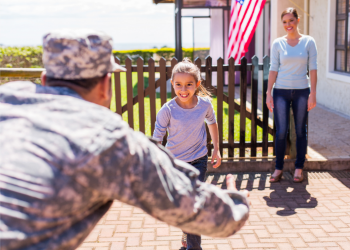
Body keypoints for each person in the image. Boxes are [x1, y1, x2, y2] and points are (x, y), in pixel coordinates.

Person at [0, 29, 250, 250]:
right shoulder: (111, 141)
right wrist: (237, 202)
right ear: (105, 86)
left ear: (44, 80)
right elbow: (208, 215)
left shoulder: (6, 100)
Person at [153, 58, 221, 250]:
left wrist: (216, 149)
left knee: (193, 205)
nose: (184, 89)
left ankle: (193, 247)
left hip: (199, 160)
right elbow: (157, 138)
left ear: (197, 84)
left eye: (189, 84)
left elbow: (212, 124)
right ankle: (187, 232)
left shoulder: (205, 105)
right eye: (179, 85)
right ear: (172, 84)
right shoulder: (167, 110)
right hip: (175, 164)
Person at [266, 8, 317, 183]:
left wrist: (313, 94)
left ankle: (298, 169)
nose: (288, 25)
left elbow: (313, 69)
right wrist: (268, 93)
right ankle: (278, 168)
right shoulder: (277, 44)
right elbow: (273, 69)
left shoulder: (309, 42)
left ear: (298, 20)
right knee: (281, 132)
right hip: (281, 91)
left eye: (291, 21)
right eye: (285, 22)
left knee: (300, 131)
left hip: (302, 91)